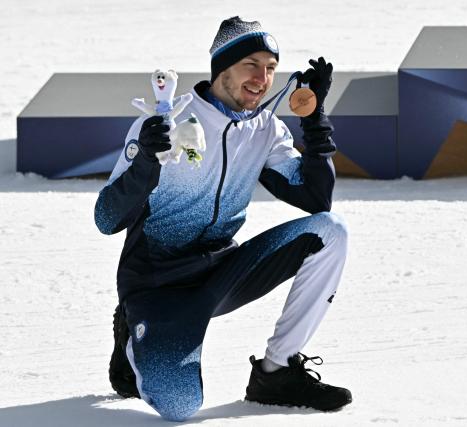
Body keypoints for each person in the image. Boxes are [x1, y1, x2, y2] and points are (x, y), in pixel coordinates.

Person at [94, 16, 351, 422]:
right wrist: (146, 161)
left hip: (222, 273)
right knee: (180, 407)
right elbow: (107, 218)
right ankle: (134, 335)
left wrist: (315, 124)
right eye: (251, 64)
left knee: (331, 232)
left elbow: (317, 199)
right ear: (222, 68)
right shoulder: (167, 121)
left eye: (270, 67)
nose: (263, 78)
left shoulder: (265, 129)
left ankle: (276, 373)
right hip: (158, 283)